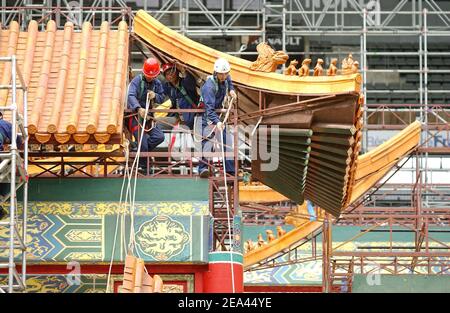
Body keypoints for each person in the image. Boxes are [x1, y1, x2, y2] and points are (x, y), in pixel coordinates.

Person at [198, 57, 237, 178]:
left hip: (217, 115)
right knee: (207, 141)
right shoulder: (209, 87)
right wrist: (217, 122)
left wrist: (231, 89)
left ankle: (229, 170)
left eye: (226, 74)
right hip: (208, 116)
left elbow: (229, 79)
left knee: (226, 140)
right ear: (216, 73)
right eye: (222, 74)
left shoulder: (225, 78)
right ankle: (203, 168)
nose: (224, 77)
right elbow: (209, 110)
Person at [127, 58, 166, 171]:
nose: (150, 77)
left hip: (149, 117)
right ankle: (144, 167)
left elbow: (162, 97)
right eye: (149, 75)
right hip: (135, 117)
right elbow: (131, 95)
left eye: (152, 76)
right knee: (143, 143)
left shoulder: (157, 83)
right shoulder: (137, 81)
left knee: (159, 137)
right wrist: (139, 108)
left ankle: (135, 149)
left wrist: (155, 96)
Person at [161, 62, 199, 130]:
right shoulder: (168, 87)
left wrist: (183, 70)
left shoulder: (185, 83)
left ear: (177, 72)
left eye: (172, 72)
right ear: (165, 77)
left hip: (189, 118)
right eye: (167, 74)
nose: (170, 75)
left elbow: (191, 83)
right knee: (158, 123)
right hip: (177, 117)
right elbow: (159, 93)